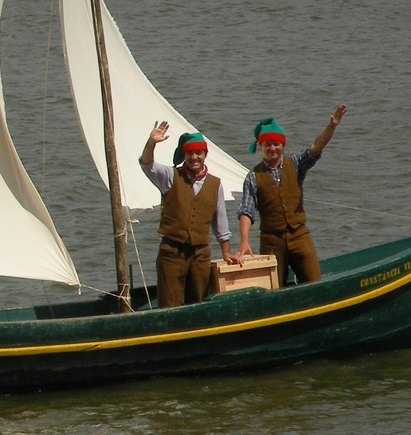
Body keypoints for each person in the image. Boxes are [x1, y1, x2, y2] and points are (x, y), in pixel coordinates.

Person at [236, 104, 346, 285]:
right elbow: (246, 211)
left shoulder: (295, 164)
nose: (273, 148)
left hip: (299, 235)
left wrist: (332, 126)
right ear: (260, 146)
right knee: (272, 288)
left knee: (314, 282)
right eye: (268, 144)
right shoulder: (253, 177)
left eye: (276, 144)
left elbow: (316, 147)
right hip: (271, 241)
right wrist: (244, 241)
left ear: (283, 145)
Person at [140, 122, 240, 308]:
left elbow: (220, 221)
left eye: (198, 153)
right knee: (168, 306)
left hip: (200, 254)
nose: (194, 157)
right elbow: (147, 164)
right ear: (184, 155)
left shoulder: (215, 184)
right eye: (189, 154)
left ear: (205, 155)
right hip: (172, 252)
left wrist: (226, 252)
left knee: (198, 304)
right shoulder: (170, 176)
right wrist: (151, 142)